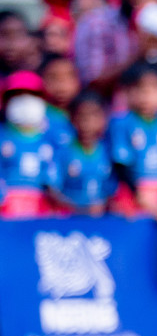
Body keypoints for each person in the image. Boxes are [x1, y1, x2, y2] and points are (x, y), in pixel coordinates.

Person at [109, 62, 157, 214]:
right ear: (126, 93)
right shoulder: (121, 122)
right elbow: (121, 165)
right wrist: (138, 196)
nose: (146, 94)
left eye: (153, 88)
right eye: (139, 88)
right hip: (133, 193)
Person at [0, 77, 59, 217]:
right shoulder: (2, 136)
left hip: (41, 206)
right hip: (6, 208)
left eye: (32, 95)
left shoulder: (53, 137)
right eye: (17, 96)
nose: (25, 101)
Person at [52, 92, 113, 216]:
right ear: (71, 119)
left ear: (104, 118)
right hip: (70, 220)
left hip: (104, 220)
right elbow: (53, 190)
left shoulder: (110, 151)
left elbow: (114, 189)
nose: (87, 123)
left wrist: (106, 205)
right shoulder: (62, 152)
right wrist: (79, 209)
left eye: (94, 115)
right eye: (82, 116)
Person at [38, 54, 81, 149]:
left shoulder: (86, 112)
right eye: (53, 78)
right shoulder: (37, 115)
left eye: (69, 77)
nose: (62, 85)